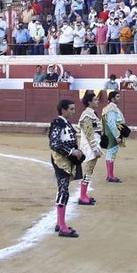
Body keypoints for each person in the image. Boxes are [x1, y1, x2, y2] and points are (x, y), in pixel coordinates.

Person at [48, 99, 83, 238]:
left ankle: (59, 223)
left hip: (66, 159)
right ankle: (62, 227)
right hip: (61, 160)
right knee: (63, 191)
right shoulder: (58, 123)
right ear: (63, 109)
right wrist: (71, 152)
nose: (73, 112)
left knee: (63, 190)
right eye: (71, 109)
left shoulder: (64, 123)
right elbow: (54, 143)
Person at [75, 90, 103, 205]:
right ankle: (82, 196)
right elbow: (89, 133)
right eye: (95, 100)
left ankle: (84, 194)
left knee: (89, 170)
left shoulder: (90, 113)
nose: (97, 101)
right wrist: (95, 149)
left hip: (92, 144)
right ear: (89, 102)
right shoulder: (87, 114)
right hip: (90, 145)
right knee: (88, 170)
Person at [101, 90, 127, 183]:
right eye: (117, 96)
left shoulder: (108, 108)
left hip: (110, 133)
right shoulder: (112, 108)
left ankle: (109, 175)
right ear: (112, 98)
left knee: (110, 153)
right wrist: (117, 136)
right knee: (111, 153)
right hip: (113, 133)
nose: (119, 98)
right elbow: (111, 123)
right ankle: (110, 176)